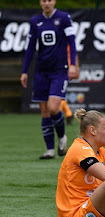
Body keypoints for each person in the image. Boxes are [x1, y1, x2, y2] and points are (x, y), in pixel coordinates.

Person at [20, 0, 77, 159]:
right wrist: (24, 71)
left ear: (54, 1)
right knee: (44, 111)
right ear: (40, 2)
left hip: (59, 70)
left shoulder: (64, 17)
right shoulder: (34, 21)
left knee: (53, 108)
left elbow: (72, 42)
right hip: (41, 72)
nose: (46, 3)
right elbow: (31, 47)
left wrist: (72, 64)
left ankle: (62, 137)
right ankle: (50, 150)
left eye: (49, 0)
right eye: (43, 0)